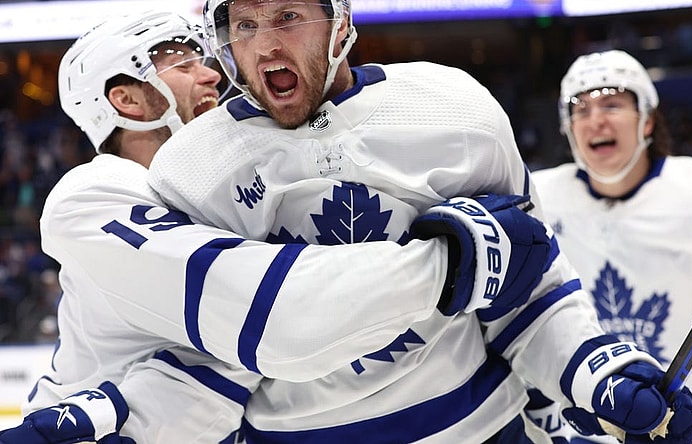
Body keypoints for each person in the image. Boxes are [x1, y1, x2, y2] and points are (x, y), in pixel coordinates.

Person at [144, 1, 692, 442]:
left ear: (339, 23)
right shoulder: (193, 169)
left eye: (288, 17)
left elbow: (528, 295)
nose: (265, 43)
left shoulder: (454, 111)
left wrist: (593, 372)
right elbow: (203, 359)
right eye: (244, 24)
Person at [0, 9, 486, 444]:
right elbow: (278, 318)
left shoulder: (225, 190)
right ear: (126, 99)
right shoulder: (93, 195)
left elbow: (218, 373)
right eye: (182, 63)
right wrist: (461, 256)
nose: (210, 74)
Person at [530, 49, 692, 444]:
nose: (595, 118)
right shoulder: (540, 199)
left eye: (613, 103)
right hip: (597, 434)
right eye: (580, 109)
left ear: (648, 120)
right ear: (567, 128)